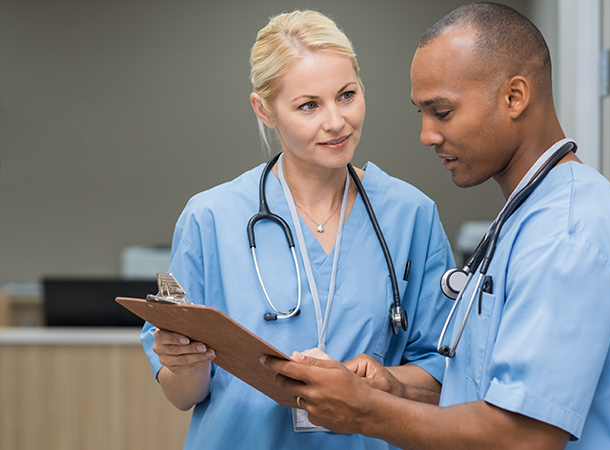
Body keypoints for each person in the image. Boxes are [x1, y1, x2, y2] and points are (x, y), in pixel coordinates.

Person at [262, 3, 610, 449]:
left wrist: (365, 411)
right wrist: (390, 388)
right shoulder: (525, 217)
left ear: (514, 97)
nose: (427, 135)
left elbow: (524, 436)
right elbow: (477, 391)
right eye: (422, 112)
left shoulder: (567, 232)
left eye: (442, 112)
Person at [139, 10, 455, 450]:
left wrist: (379, 380)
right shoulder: (210, 217)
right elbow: (183, 395)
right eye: (309, 105)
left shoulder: (410, 214)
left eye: (347, 95)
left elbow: (441, 377)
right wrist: (185, 365)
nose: (335, 122)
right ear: (264, 110)